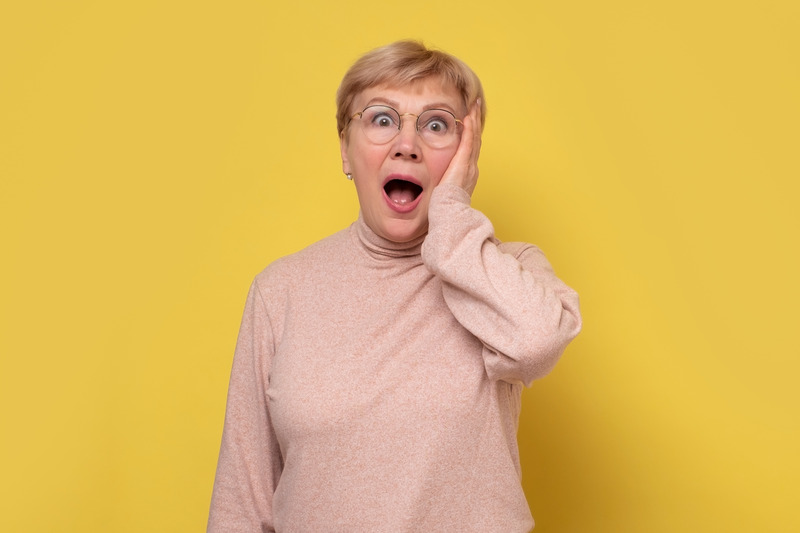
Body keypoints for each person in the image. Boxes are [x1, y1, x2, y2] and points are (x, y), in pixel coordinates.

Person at [208, 40, 582, 532]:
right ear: (345, 148)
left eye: (436, 125)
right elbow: (242, 500)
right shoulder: (281, 291)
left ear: (467, 156)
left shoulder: (504, 272)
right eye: (382, 119)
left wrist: (452, 212)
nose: (407, 144)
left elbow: (535, 344)